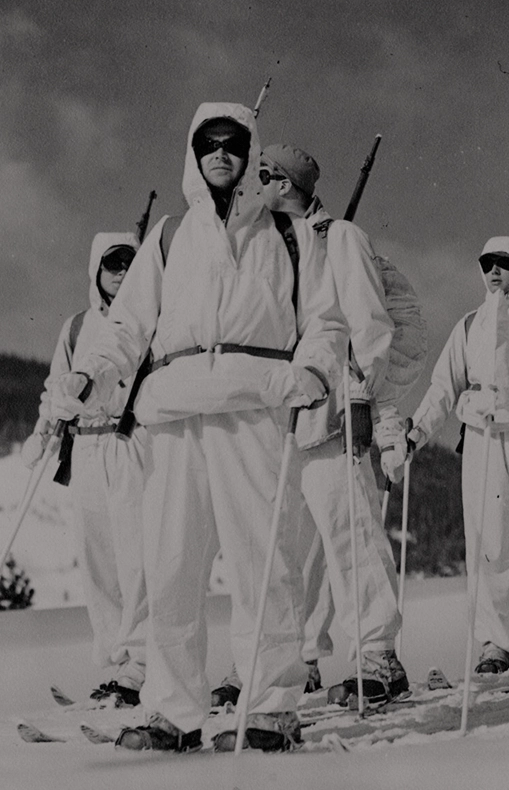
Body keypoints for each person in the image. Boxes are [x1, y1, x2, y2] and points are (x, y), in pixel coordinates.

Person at [50, 104, 348, 753]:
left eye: (234, 142)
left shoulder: (288, 236)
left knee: (262, 564)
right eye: (209, 142)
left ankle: (271, 707)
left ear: (250, 151)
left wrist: (311, 376)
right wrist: (92, 376)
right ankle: (171, 711)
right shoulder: (168, 236)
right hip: (176, 414)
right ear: (193, 150)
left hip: (255, 409)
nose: (221, 152)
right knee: (170, 566)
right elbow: (127, 327)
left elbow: (325, 321)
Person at [212, 143, 415, 709]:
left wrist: (357, 393)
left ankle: (378, 653)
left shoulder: (339, 238)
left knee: (348, 530)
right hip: (278, 408)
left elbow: (370, 326)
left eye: (264, 176)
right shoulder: (268, 244)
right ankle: (285, 658)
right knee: (280, 542)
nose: (257, 185)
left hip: (331, 407)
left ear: (282, 182)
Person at [399, 236, 509, 675]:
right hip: (483, 438)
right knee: (488, 542)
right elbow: (443, 386)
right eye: (486, 262)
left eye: (504, 262)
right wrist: (416, 431)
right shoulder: (470, 325)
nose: (494, 271)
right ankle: (495, 642)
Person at [22, 233, 147, 706]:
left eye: (129, 264)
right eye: (111, 264)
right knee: (98, 559)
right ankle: (119, 662)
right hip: (87, 449)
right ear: (96, 270)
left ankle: (142, 662)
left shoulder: (146, 322)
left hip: (131, 441)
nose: (120, 272)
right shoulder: (75, 328)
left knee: (135, 555)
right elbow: (58, 385)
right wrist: (41, 433)